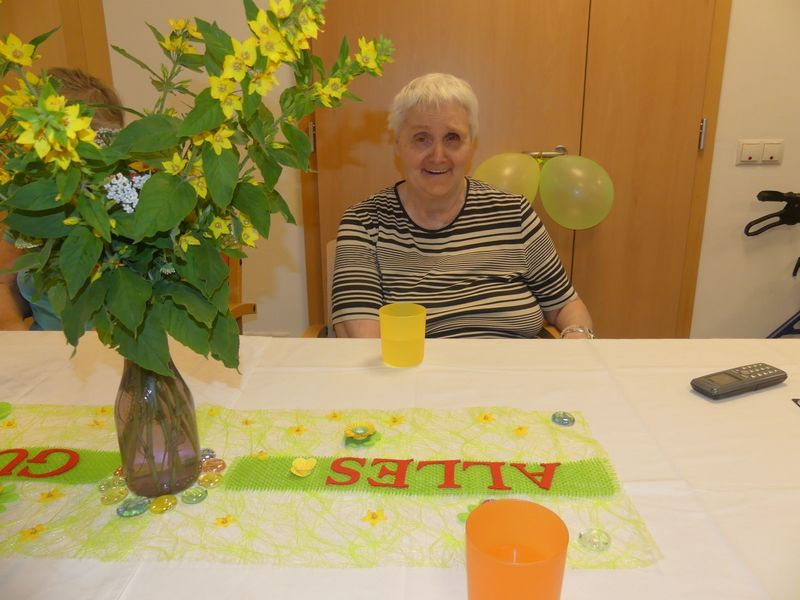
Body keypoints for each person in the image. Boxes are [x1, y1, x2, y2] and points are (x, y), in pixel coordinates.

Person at [331, 72, 594, 339]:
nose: (438, 156)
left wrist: (576, 338)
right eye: (421, 138)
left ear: (471, 144)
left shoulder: (515, 214)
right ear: (398, 144)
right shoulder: (364, 224)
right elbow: (362, 339)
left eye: (452, 138)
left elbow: (565, 304)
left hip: (519, 364)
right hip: (419, 367)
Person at [0, 67, 124, 330]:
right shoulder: (32, 209)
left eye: (106, 142)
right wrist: (16, 333)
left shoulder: (129, 208)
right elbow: (4, 282)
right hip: (45, 345)